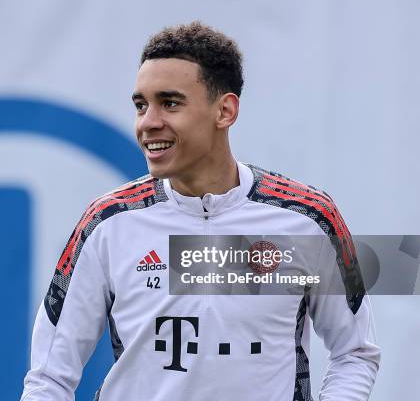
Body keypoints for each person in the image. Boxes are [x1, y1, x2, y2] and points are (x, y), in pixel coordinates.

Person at [21, 21, 380, 400]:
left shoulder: (307, 217)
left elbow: (355, 353)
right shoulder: (107, 222)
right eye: (141, 105)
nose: (148, 123)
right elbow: (49, 379)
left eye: (170, 103)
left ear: (225, 111)